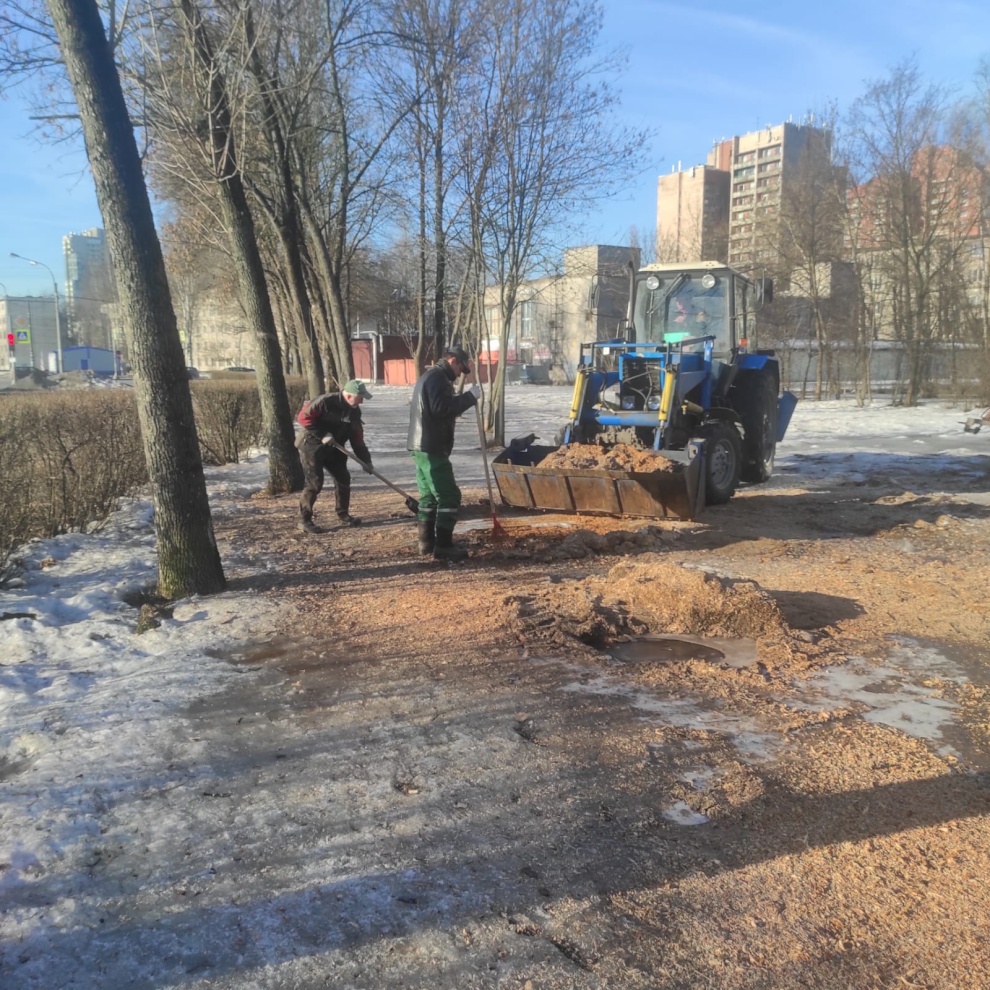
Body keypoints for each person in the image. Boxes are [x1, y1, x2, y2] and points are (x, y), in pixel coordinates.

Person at [407, 346, 482, 561]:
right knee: (448, 495)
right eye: (460, 368)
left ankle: (426, 542)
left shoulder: (430, 377)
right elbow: (441, 409)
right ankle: (443, 546)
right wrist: (469, 398)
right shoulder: (437, 379)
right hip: (431, 446)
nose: (460, 374)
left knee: (429, 496)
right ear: (452, 361)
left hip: (420, 445)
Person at [295, 379, 375, 534]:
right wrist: (323, 435)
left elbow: (357, 438)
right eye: (361, 397)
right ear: (351, 395)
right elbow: (303, 418)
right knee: (315, 483)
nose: (362, 401)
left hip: (335, 447)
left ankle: (343, 513)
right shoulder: (325, 402)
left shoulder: (355, 411)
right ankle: (304, 519)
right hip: (312, 446)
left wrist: (366, 461)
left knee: (343, 478)